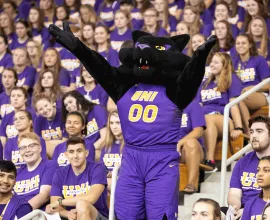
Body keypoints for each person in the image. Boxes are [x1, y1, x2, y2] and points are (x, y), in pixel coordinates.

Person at [46, 137, 108, 220]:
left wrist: (60, 202)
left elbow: (91, 198)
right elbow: (53, 205)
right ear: (66, 155)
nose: (75, 156)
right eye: (71, 152)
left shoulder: (98, 168)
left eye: (79, 151)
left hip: (97, 215)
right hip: (72, 217)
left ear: (86, 153)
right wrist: (67, 213)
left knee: (81, 205)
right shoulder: (60, 173)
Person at [228, 115, 270, 219]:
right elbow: (234, 193)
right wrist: (235, 208)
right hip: (243, 210)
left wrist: (249, 209)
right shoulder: (242, 162)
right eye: (251, 132)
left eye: (259, 131)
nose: (254, 136)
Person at [14, 132, 56, 210]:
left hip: (38, 213)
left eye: (32, 146)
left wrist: (21, 212)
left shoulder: (50, 165)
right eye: (23, 148)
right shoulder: (17, 172)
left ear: (40, 148)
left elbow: (44, 195)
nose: (27, 150)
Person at [177, 101, 206, 194]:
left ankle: (192, 183)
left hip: (189, 150)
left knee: (191, 142)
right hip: (169, 149)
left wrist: (180, 142)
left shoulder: (193, 105)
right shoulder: (164, 107)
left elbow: (198, 131)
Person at [33, 93, 66, 158]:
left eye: (46, 105)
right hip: (47, 155)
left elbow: (65, 141)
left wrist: (47, 144)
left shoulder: (63, 115)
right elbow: (38, 143)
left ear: (52, 103)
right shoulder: (38, 120)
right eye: (40, 109)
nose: (45, 110)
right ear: (37, 112)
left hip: (63, 152)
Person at [100, 110, 123, 192]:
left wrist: (115, 175)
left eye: (118, 123)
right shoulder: (106, 147)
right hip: (107, 184)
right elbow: (101, 169)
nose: (114, 126)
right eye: (111, 123)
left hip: (123, 183)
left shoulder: (130, 146)